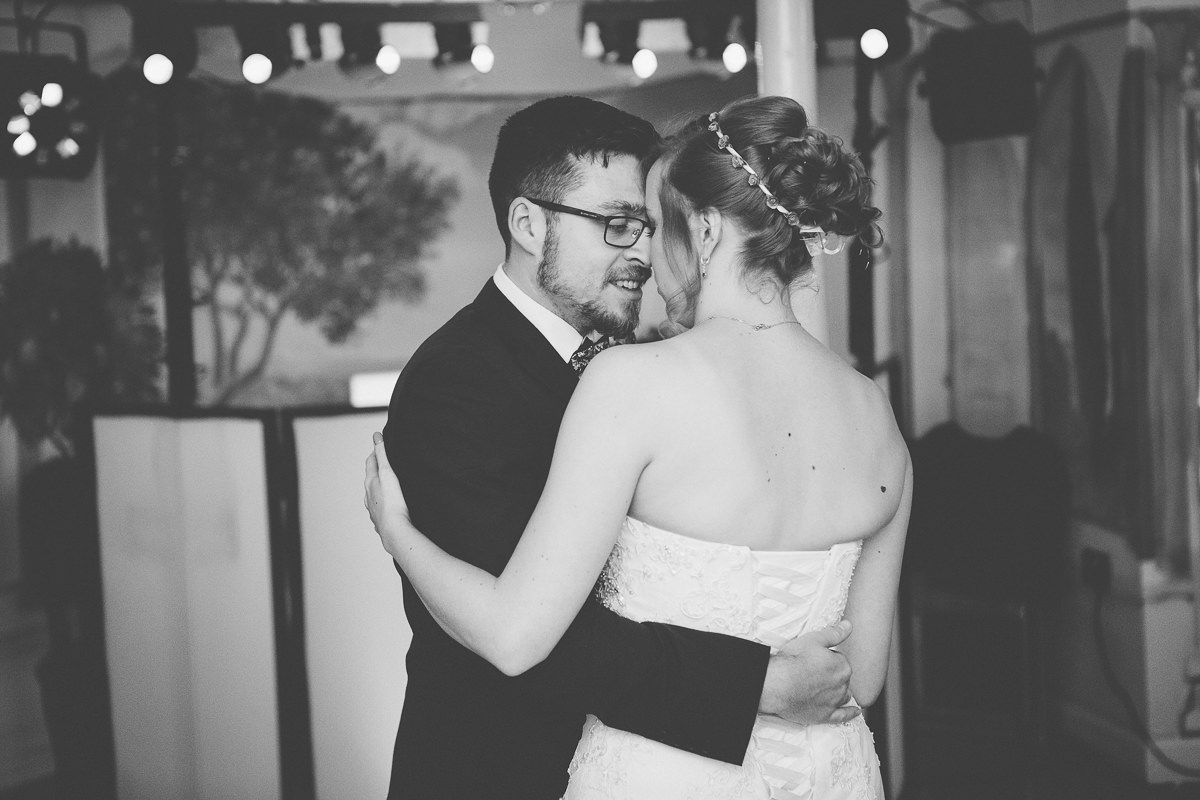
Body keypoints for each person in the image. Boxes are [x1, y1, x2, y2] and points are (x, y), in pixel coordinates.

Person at [375, 95, 863, 800]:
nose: (642, 251)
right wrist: (761, 680)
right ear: (527, 223)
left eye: (648, 224)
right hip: (501, 773)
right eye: (616, 225)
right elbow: (540, 639)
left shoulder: (646, 367)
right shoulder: (457, 382)